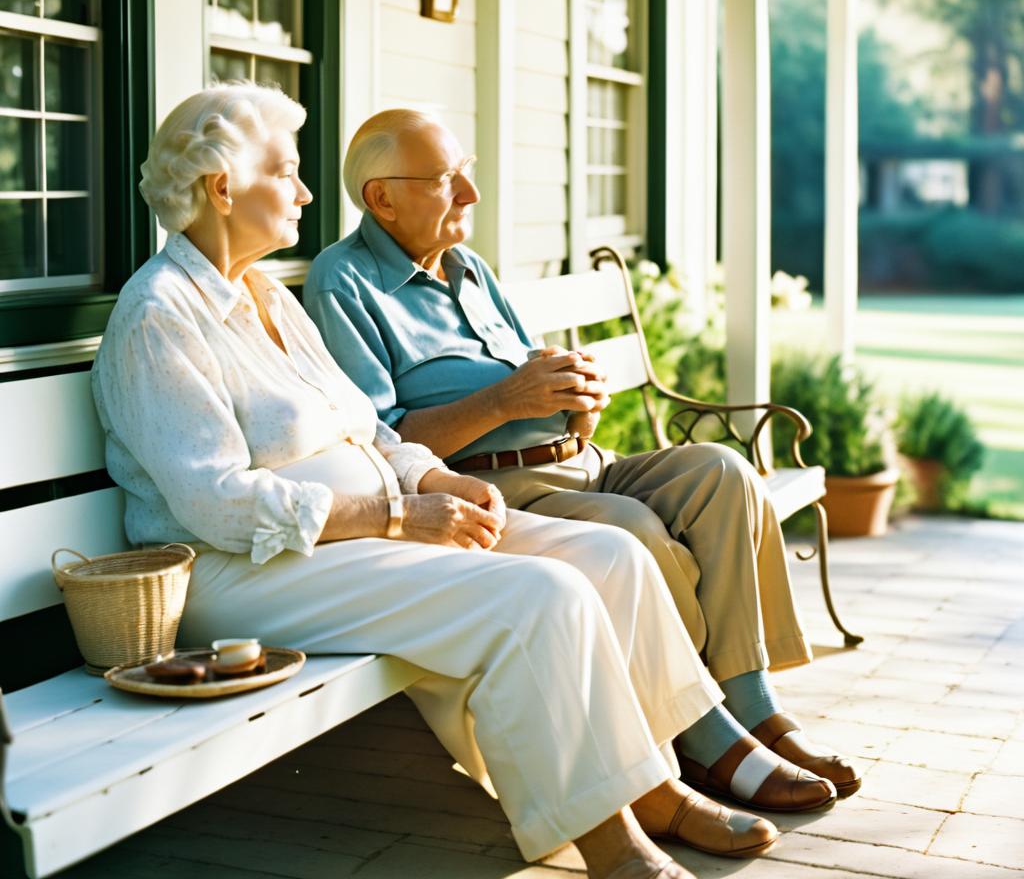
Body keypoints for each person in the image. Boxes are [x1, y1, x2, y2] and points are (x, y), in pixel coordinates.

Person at [91, 84, 834, 879]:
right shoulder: (159, 315)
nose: (308, 192)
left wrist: (437, 477)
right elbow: (215, 503)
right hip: (245, 567)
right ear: (224, 187)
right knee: (540, 596)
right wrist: (396, 513)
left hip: (363, 523)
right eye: (288, 173)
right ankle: (613, 841)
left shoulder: (267, 294)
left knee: (610, 560)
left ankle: (658, 784)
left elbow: (367, 428)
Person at [304, 108, 862, 807]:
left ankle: (753, 710)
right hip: (499, 489)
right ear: (381, 197)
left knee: (723, 472)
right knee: (632, 529)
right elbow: (381, 441)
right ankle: (700, 740)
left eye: (465, 176)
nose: (470, 197)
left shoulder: (470, 267)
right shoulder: (344, 283)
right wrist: (505, 402)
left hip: (584, 456)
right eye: (448, 182)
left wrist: (575, 396)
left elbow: (524, 368)